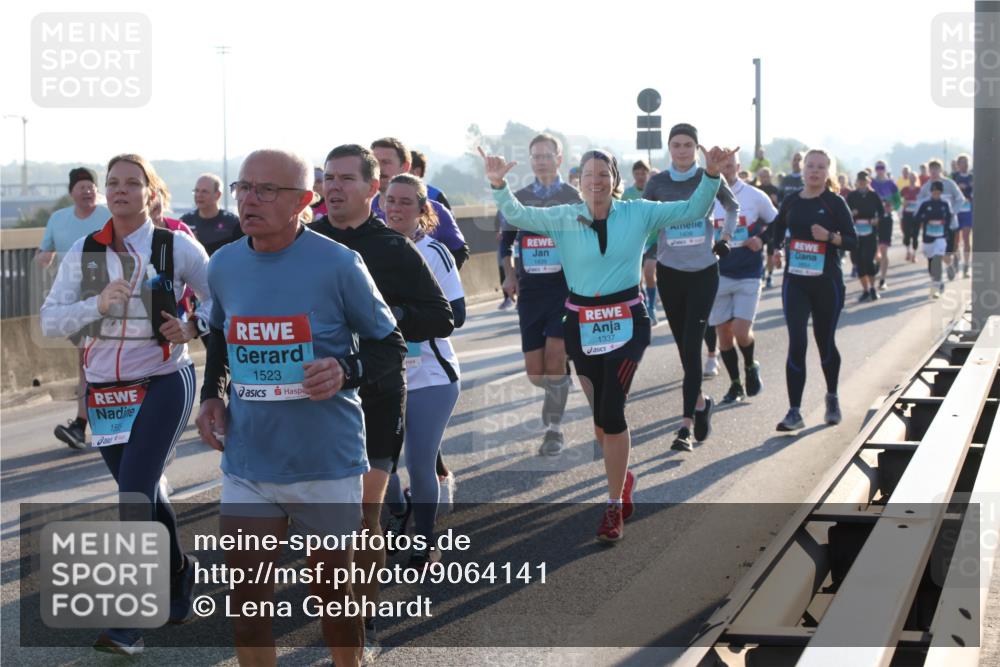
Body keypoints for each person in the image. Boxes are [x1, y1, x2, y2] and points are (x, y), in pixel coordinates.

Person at [197, 149, 405, 667]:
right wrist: (212, 395)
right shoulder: (223, 264)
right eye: (244, 187)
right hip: (249, 464)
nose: (250, 199)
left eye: (268, 190)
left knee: (336, 611)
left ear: (303, 202)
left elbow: (389, 344)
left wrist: (345, 370)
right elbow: (221, 340)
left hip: (326, 464)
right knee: (246, 612)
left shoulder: (338, 263)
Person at [481, 143, 733, 541]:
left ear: (614, 181)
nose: (596, 181)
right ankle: (624, 476)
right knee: (601, 417)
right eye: (588, 175)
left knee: (613, 412)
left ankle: (613, 505)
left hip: (626, 321)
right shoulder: (563, 217)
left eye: (604, 174)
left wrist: (712, 176)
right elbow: (517, 214)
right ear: (577, 182)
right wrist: (498, 184)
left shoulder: (638, 212)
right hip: (580, 323)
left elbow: (692, 210)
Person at [40, 153, 212, 655]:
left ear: (151, 194)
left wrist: (193, 326)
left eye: (132, 183)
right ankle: (180, 569)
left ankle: (128, 621)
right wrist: (97, 304)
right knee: (144, 493)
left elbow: (219, 298)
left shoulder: (174, 246)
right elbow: (50, 321)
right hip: (105, 392)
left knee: (135, 492)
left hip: (163, 379)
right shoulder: (84, 251)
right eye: (112, 182)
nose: (119, 190)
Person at [309, 145, 452, 655]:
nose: (334, 186)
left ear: (373, 189)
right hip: (317, 399)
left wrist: (381, 315)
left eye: (346, 178)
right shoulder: (305, 243)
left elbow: (441, 317)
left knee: (366, 515)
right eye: (328, 177)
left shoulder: (394, 248)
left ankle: (363, 621)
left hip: (378, 395)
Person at [382, 173, 465, 569]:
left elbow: (457, 315)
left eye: (405, 202)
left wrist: (400, 315)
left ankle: (426, 541)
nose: (395, 208)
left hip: (431, 375)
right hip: (382, 374)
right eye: (390, 201)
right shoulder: (369, 250)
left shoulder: (435, 252)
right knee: (378, 464)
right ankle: (399, 511)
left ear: (421, 210)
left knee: (418, 462)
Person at [643, 123, 740, 452]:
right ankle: (701, 403)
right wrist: (646, 252)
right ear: (669, 149)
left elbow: (732, 207)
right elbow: (643, 220)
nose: (682, 150)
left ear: (697, 149)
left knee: (691, 343)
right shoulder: (657, 183)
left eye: (688, 145)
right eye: (676, 145)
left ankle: (684, 427)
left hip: (703, 272)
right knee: (685, 351)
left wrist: (726, 239)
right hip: (670, 274)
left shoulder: (708, 179)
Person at [497, 133, 581, 455]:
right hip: (531, 291)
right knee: (536, 373)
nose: (542, 160)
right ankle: (560, 384)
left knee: (555, 356)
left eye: (547, 155)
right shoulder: (516, 198)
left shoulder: (574, 196)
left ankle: (553, 430)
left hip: (564, 289)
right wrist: (509, 273)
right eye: (536, 156)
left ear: (559, 159)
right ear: (531, 161)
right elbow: (506, 242)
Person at [769, 149, 857, 431]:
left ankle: (832, 397)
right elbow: (777, 228)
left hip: (826, 282)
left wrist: (830, 237)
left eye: (820, 167)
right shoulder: (792, 200)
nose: (814, 171)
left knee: (825, 341)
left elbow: (853, 241)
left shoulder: (835, 203)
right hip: (795, 281)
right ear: (802, 169)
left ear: (828, 171)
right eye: (810, 166)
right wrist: (775, 249)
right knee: (797, 342)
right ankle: (794, 411)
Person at [38, 167, 113, 450]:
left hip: (111, 297)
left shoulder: (109, 215)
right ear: (72, 192)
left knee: (102, 361)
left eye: (91, 185)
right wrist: (43, 259)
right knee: (87, 362)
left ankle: (94, 423)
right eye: (81, 186)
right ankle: (84, 424)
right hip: (76, 304)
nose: (87, 190)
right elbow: (45, 252)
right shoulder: (58, 219)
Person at [709, 151, 777, 404]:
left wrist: (762, 239)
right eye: (721, 164)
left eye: (730, 164)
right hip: (717, 272)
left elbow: (776, 222)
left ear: (738, 166)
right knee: (724, 335)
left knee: (740, 330)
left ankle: (750, 365)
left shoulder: (754, 196)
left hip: (748, 271)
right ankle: (735, 383)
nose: (726, 168)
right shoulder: (707, 196)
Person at [370, 137, 468, 267]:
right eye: (375, 163)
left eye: (386, 162)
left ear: (405, 167)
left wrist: (434, 280)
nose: (379, 169)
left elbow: (460, 250)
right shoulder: (365, 214)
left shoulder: (436, 210)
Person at [915, 159, 966, 281]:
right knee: (935, 252)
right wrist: (923, 218)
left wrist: (952, 211)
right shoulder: (926, 187)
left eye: (936, 169)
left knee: (948, 252)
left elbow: (960, 199)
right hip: (932, 228)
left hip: (950, 224)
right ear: (928, 171)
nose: (933, 172)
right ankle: (939, 277)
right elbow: (919, 203)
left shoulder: (949, 184)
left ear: (941, 170)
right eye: (931, 170)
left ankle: (949, 264)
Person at [180, 173, 243, 256]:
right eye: (197, 191)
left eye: (204, 191)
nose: (199, 195)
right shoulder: (184, 222)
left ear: (218, 195)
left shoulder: (233, 223)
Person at [846, 171, 883, 302]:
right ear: (857, 182)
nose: (862, 183)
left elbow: (881, 212)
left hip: (870, 232)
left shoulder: (873, 196)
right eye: (860, 180)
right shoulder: (851, 196)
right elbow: (844, 213)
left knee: (867, 260)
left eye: (864, 180)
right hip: (856, 233)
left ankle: (873, 288)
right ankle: (865, 290)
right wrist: (851, 213)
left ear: (869, 182)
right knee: (858, 262)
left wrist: (876, 219)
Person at [916, 181, 954, 298]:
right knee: (931, 263)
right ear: (931, 192)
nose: (936, 194)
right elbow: (917, 218)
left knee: (937, 259)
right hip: (928, 238)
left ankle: (935, 289)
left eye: (938, 192)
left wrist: (945, 228)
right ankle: (940, 277)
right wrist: (927, 220)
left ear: (941, 192)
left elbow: (949, 218)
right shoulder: (925, 204)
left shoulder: (945, 204)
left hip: (941, 236)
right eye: (934, 192)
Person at [870, 161, 900, 290]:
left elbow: (898, 202)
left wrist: (891, 206)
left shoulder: (891, 184)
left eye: (882, 167)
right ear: (875, 169)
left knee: (883, 249)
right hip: (874, 220)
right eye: (877, 167)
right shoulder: (871, 183)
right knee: (874, 250)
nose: (880, 170)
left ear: (885, 169)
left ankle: (882, 279)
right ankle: (877, 262)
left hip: (887, 219)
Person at [951, 153, 973, 277]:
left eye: (966, 162)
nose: (964, 165)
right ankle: (956, 260)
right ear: (958, 164)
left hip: (968, 211)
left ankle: (966, 266)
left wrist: (969, 195)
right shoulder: (954, 177)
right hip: (956, 212)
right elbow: (948, 192)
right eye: (961, 162)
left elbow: (976, 191)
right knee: (955, 240)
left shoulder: (972, 177)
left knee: (966, 239)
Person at [900, 171, 922, 262]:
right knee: (907, 234)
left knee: (915, 235)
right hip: (907, 215)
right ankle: (908, 251)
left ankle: (914, 254)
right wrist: (904, 203)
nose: (912, 179)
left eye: (914, 177)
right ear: (909, 179)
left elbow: (923, 201)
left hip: (916, 215)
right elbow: (899, 200)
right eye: (911, 177)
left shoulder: (919, 190)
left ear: (916, 179)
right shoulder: (904, 189)